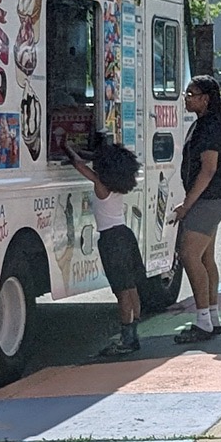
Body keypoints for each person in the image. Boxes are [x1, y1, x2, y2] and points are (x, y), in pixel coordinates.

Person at [170, 75, 221, 340]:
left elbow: (208, 169)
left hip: (209, 198)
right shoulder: (204, 124)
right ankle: (212, 317)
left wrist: (187, 205)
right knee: (204, 258)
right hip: (213, 198)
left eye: (192, 94)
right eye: (186, 93)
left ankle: (202, 322)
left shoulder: (209, 127)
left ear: (206, 99)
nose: (186, 99)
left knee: (189, 255)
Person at [66, 132, 147, 356]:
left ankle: (126, 338)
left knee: (121, 291)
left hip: (111, 239)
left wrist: (67, 147)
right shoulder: (118, 187)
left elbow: (80, 165)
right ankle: (133, 334)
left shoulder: (101, 186)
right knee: (131, 287)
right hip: (125, 235)